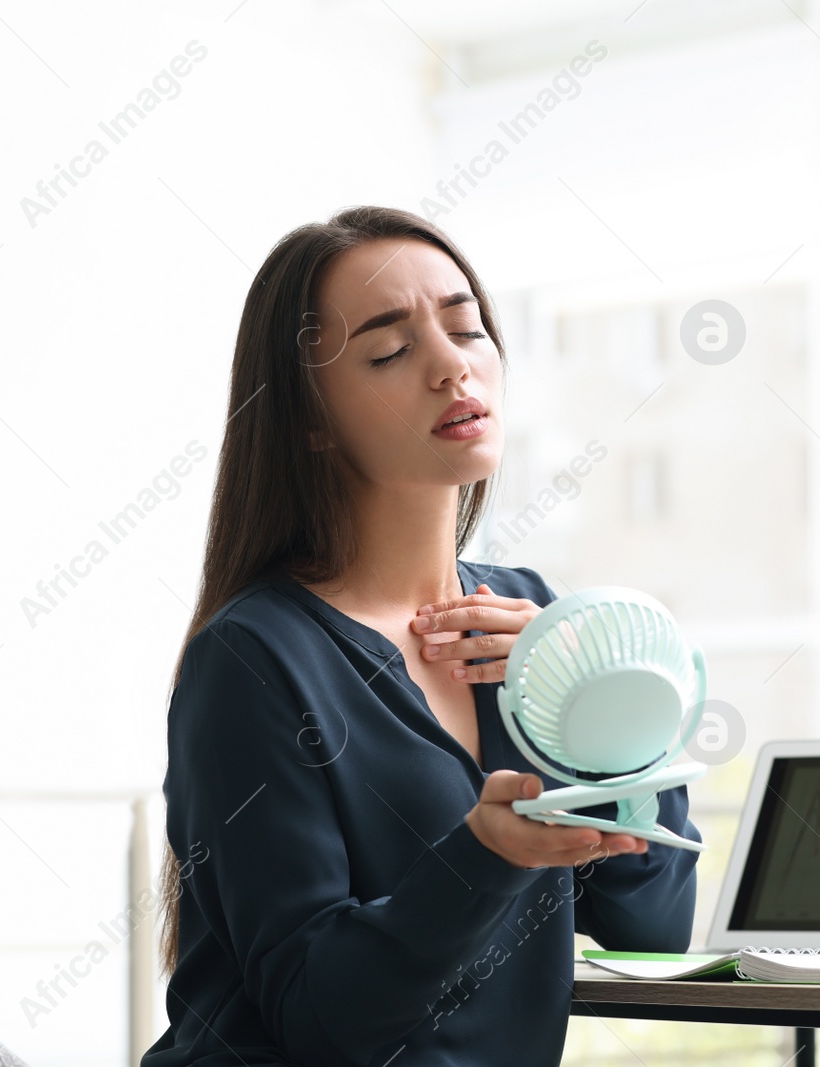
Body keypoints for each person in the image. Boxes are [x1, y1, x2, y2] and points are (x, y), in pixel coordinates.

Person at [140, 206, 700, 1067]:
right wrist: (483, 855)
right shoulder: (252, 661)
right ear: (311, 421)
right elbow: (320, 1019)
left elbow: (652, 931)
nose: (451, 366)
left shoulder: (541, 629)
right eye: (390, 351)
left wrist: (610, 722)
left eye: (468, 328)